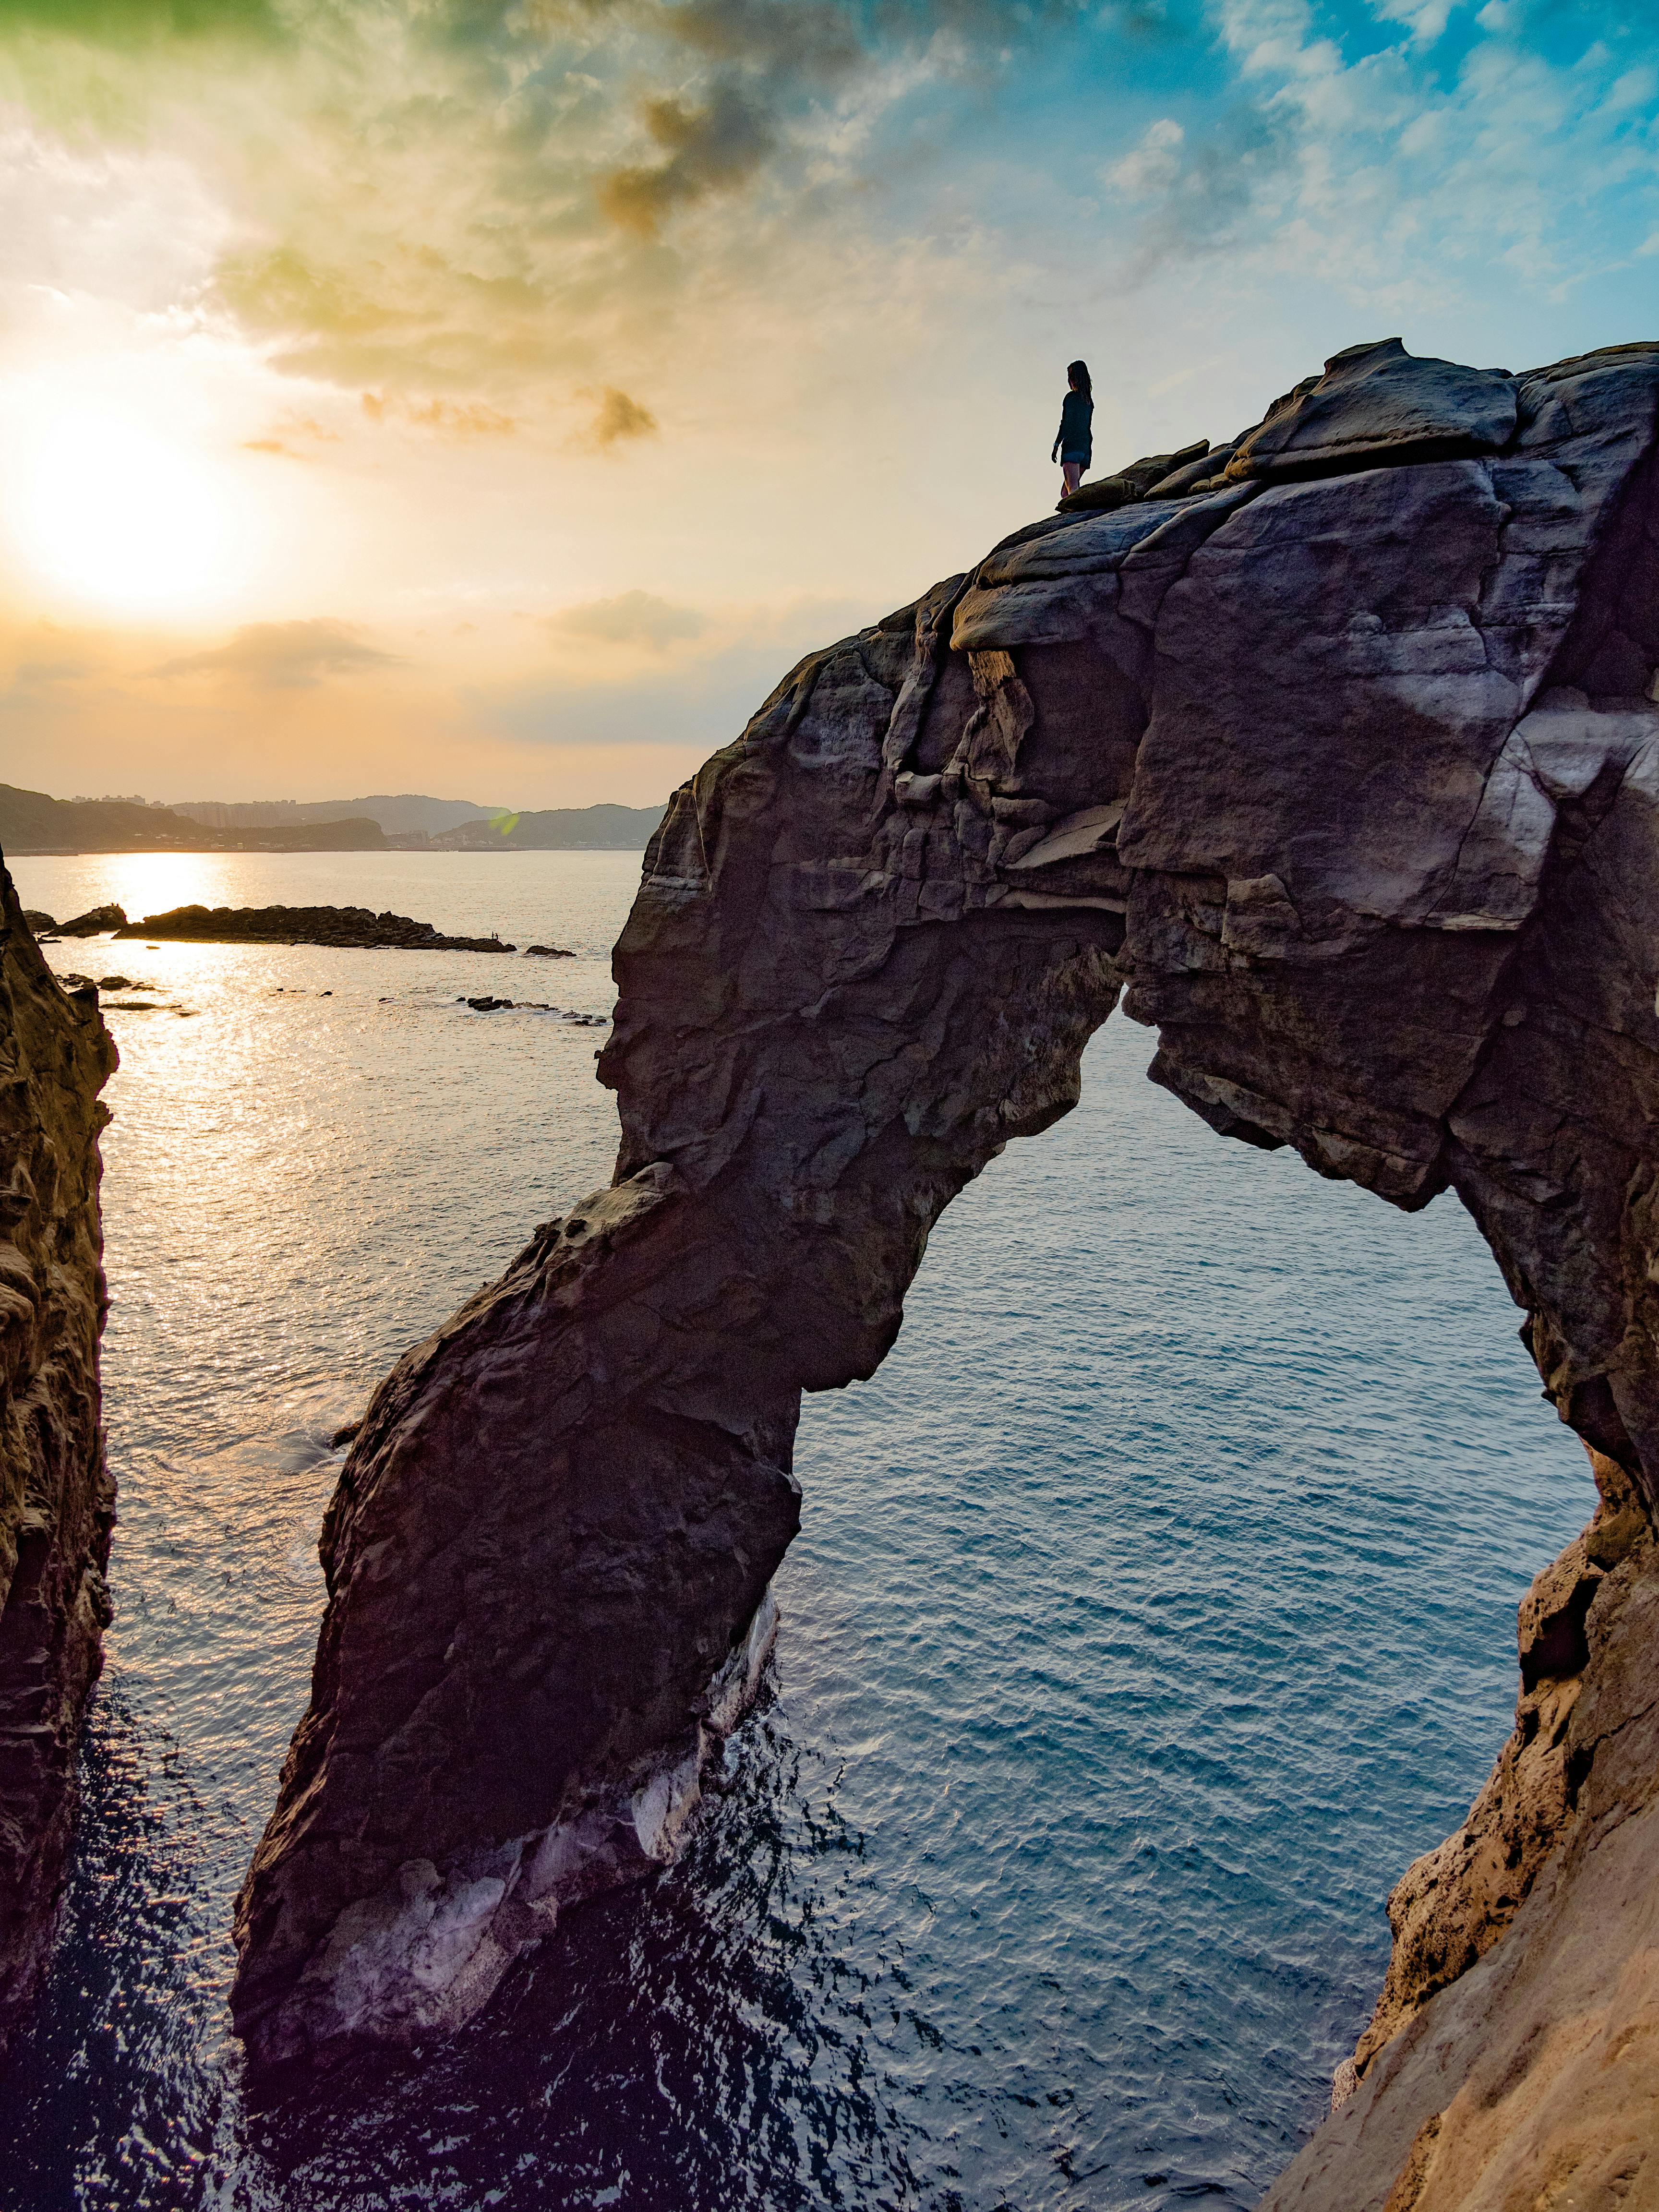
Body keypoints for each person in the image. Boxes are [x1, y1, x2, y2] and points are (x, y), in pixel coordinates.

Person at [1051, 360, 1093, 504]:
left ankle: (1079, 521)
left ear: (1074, 378)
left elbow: (1066, 423)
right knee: (1065, 492)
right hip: (1085, 449)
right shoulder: (1088, 401)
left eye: (1071, 376)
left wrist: (1057, 444)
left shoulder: (1071, 398)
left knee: (1073, 489)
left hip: (1072, 447)